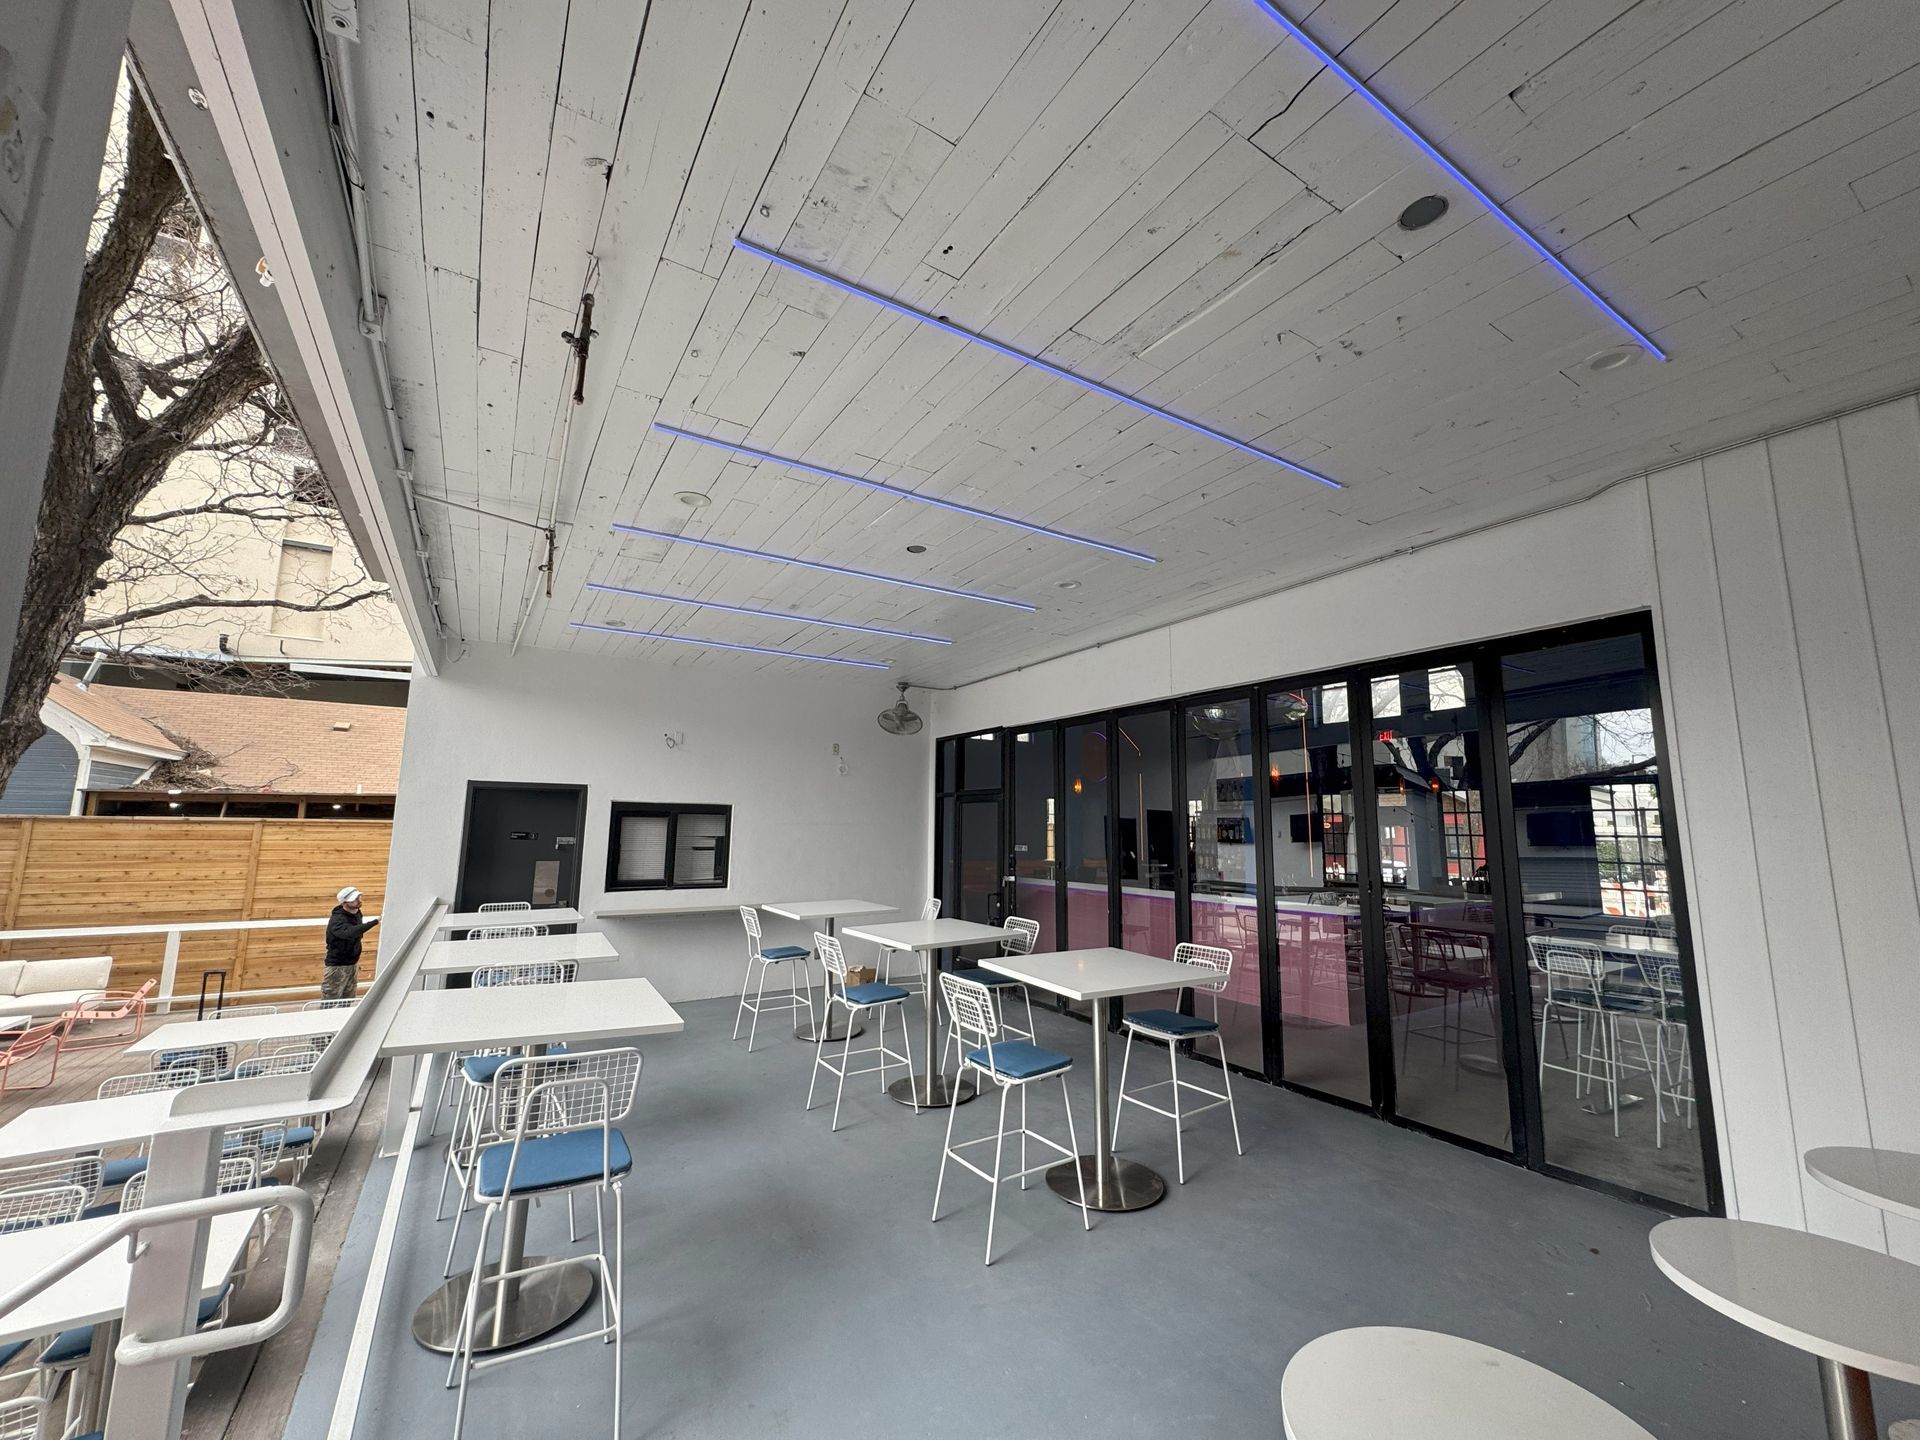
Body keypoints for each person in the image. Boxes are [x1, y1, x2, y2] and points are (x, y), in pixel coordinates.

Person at [323, 886, 379, 1002]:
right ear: (344, 903)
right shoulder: (337, 920)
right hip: (337, 967)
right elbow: (350, 932)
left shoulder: (357, 914)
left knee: (348, 999)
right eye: (355, 899)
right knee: (331, 1001)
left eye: (359, 898)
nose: (359, 901)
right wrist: (374, 922)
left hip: (352, 964)